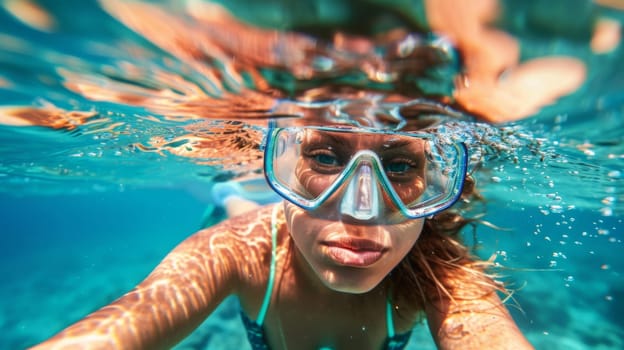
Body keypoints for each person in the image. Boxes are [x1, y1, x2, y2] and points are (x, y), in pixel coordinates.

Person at [33, 100, 533, 349]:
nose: (360, 210)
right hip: (249, 218)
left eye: (401, 167)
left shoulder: (442, 272)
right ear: (286, 166)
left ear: (437, 186)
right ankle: (230, 188)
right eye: (324, 156)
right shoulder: (235, 250)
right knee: (235, 204)